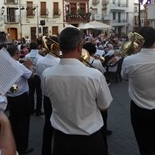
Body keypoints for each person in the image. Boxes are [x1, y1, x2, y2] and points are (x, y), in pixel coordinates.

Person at [42, 27, 113, 155]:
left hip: (61, 141)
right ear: (80, 47)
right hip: (90, 140)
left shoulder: (47, 74)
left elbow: (47, 96)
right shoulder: (95, 75)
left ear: (60, 46)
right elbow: (104, 106)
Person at [121, 26, 155, 155]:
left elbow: (124, 77)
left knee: (145, 147)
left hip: (140, 110)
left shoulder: (129, 61)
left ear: (138, 41)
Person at [6, 45, 34, 155]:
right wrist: (30, 66)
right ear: (16, 54)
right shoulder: (17, 65)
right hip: (21, 97)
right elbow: (30, 76)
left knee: (13, 121)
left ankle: (13, 143)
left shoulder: (5, 64)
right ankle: (22, 147)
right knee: (23, 123)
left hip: (10, 97)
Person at [37, 35, 60, 155]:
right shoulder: (59, 61)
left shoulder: (40, 61)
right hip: (58, 97)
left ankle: (45, 151)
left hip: (46, 96)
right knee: (59, 125)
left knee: (48, 123)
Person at [25, 41, 44, 116]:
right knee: (39, 94)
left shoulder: (27, 56)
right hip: (38, 76)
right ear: (37, 47)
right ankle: (38, 110)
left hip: (30, 75)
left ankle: (31, 110)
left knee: (31, 93)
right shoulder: (40, 57)